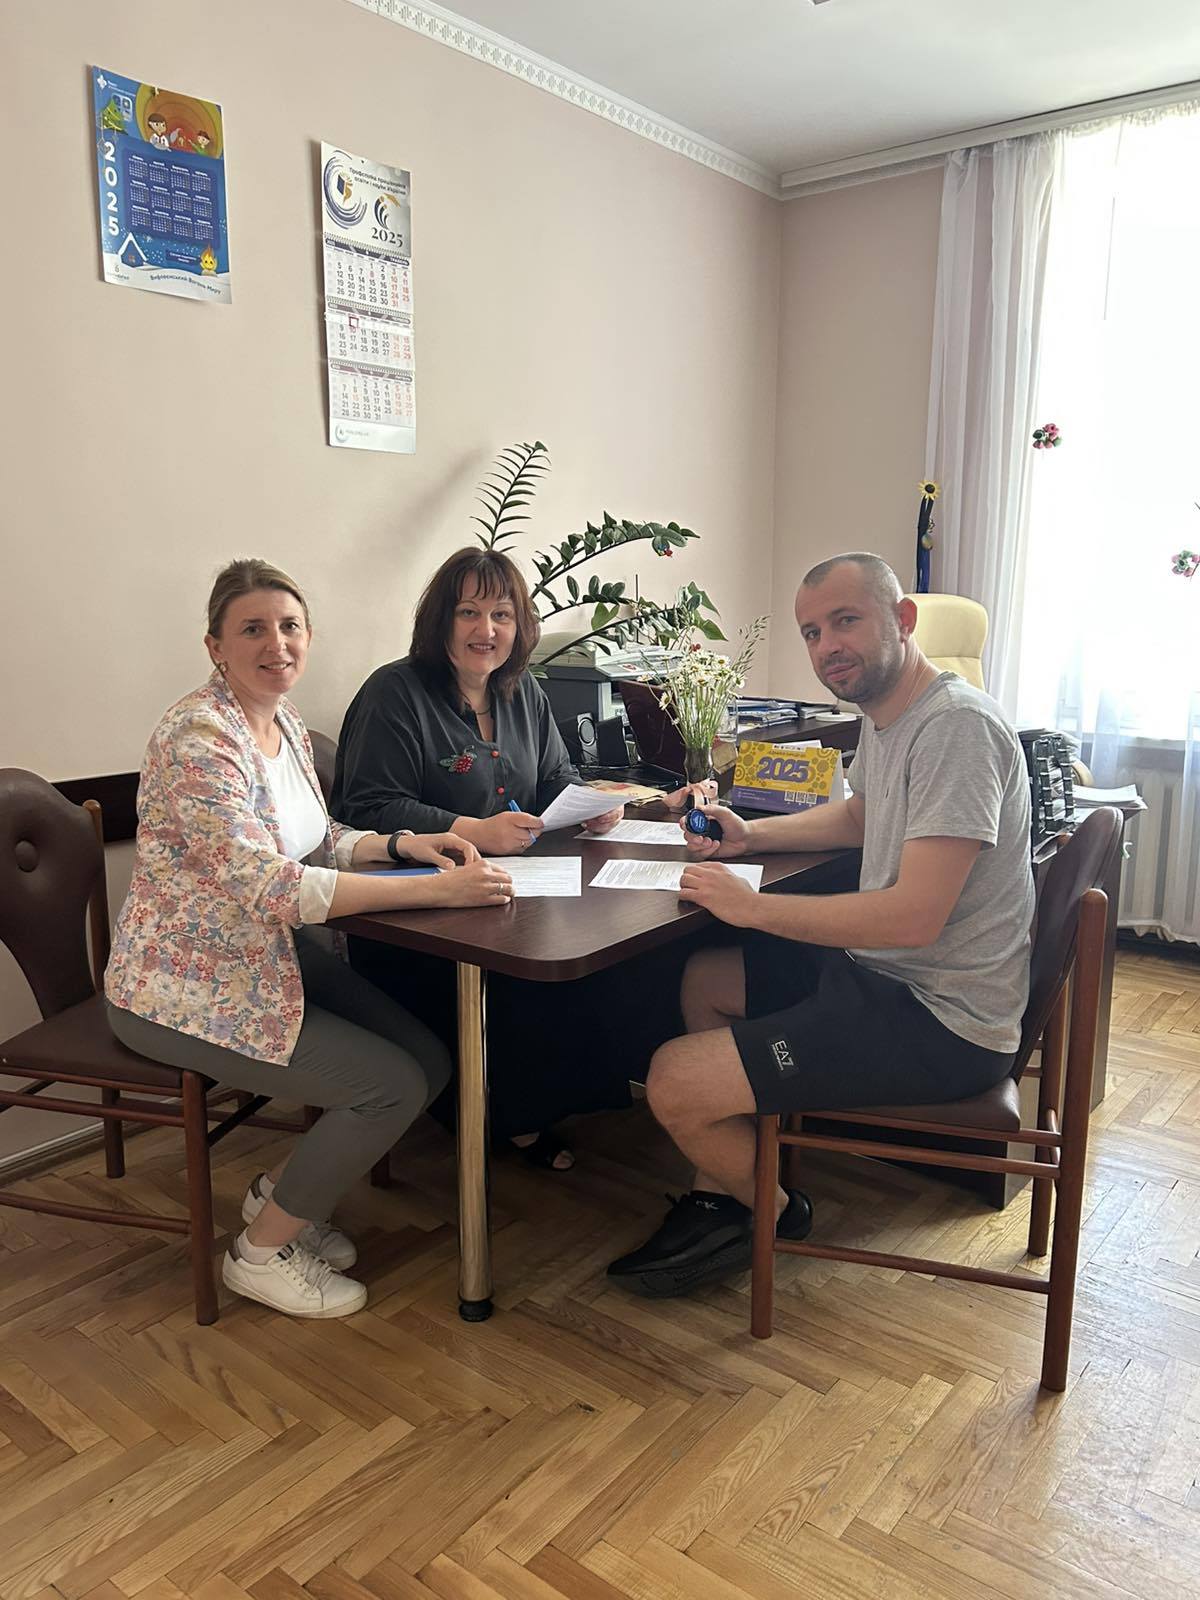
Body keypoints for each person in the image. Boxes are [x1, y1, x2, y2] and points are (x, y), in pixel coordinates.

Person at [608, 552, 1035, 1298]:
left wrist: (753, 907)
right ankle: (725, 1192)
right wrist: (751, 837)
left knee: (673, 1080)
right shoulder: (894, 712)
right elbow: (862, 816)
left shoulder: (956, 730)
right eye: (812, 632)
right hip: (886, 978)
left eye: (846, 621)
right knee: (707, 976)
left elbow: (913, 917)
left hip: (943, 1019)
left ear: (902, 620)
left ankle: (775, 1212)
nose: (827, 646)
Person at [105, 558, 515, 1319]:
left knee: (430, 1059)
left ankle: (282, 1197)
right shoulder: (200, 738)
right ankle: (259, 1255)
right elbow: (269, 883)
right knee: (387, 1087)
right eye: (252, 629)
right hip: (184, 988)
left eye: (289, 626)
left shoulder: (283, 722)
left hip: (268, 960)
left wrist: (402, 846)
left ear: (309, 636)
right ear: (215, 647)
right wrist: (435, 889)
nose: (277, 643)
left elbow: (318, 842)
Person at [332, 546, 632, 1169]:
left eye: (501, 614)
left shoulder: (524, 693)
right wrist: (472, 829)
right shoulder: (394, 693)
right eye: (468, 612)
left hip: (509, 893)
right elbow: (366, 806)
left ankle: (546, 1103)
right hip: (413, 915)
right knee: (516, 981)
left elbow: (555, 776)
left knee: (582, 954)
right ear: (440, 620)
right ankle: (501, 1117)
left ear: (520, 626)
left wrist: (589, 806)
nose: (485, 629)